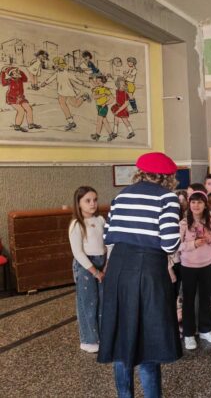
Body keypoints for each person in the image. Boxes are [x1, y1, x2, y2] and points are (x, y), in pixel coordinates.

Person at [98, 152, 182, 398]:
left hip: (118, 268)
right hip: (148, 271)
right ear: (167, 177)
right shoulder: (167, 198)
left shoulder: (121, 196)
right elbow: (169, 243)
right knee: (149, 341)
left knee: (121, 339)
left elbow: (107, 236)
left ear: (141, 172)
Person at [179, 191, 211, 350]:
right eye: (193, 202)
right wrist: (193, 244)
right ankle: (189, 334)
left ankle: (205, 329)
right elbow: (177, 245)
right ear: (189, 204)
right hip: (188, 266)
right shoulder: (183, 223)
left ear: (205, 205)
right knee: (188, 300)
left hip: (207, 265)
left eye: (200, 202)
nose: (196, 205)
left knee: (205, 298)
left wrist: (210, 240)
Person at [68, 186, 106, 353]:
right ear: (79, 203)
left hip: (102, 262)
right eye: (88, 201)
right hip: (86, 266)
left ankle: (102, 336)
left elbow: (107, 243)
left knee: (102, 302)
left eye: (95, 200)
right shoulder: (77, 224)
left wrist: (106, 264)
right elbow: (78, 252)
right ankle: (89, 340)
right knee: (88, 303)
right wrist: (95, 272)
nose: (92, 204)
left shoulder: (100, 220)